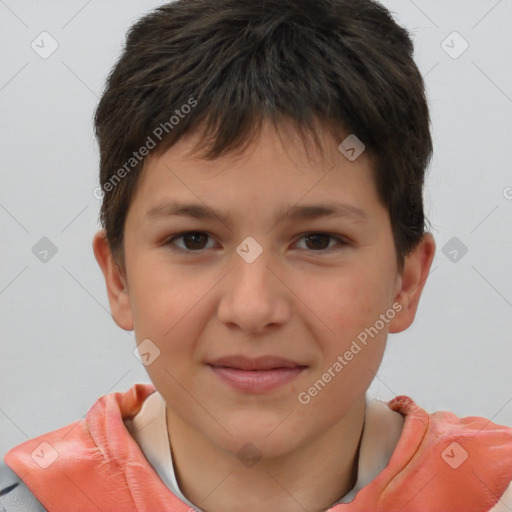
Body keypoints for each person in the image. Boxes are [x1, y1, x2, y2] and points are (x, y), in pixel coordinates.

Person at [1, 0, 511, 510]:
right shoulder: (30, 497)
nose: (252, 309)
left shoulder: (491, 493)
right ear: (118, 278)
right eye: (193, 239)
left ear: (405, 282)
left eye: (318, 241)